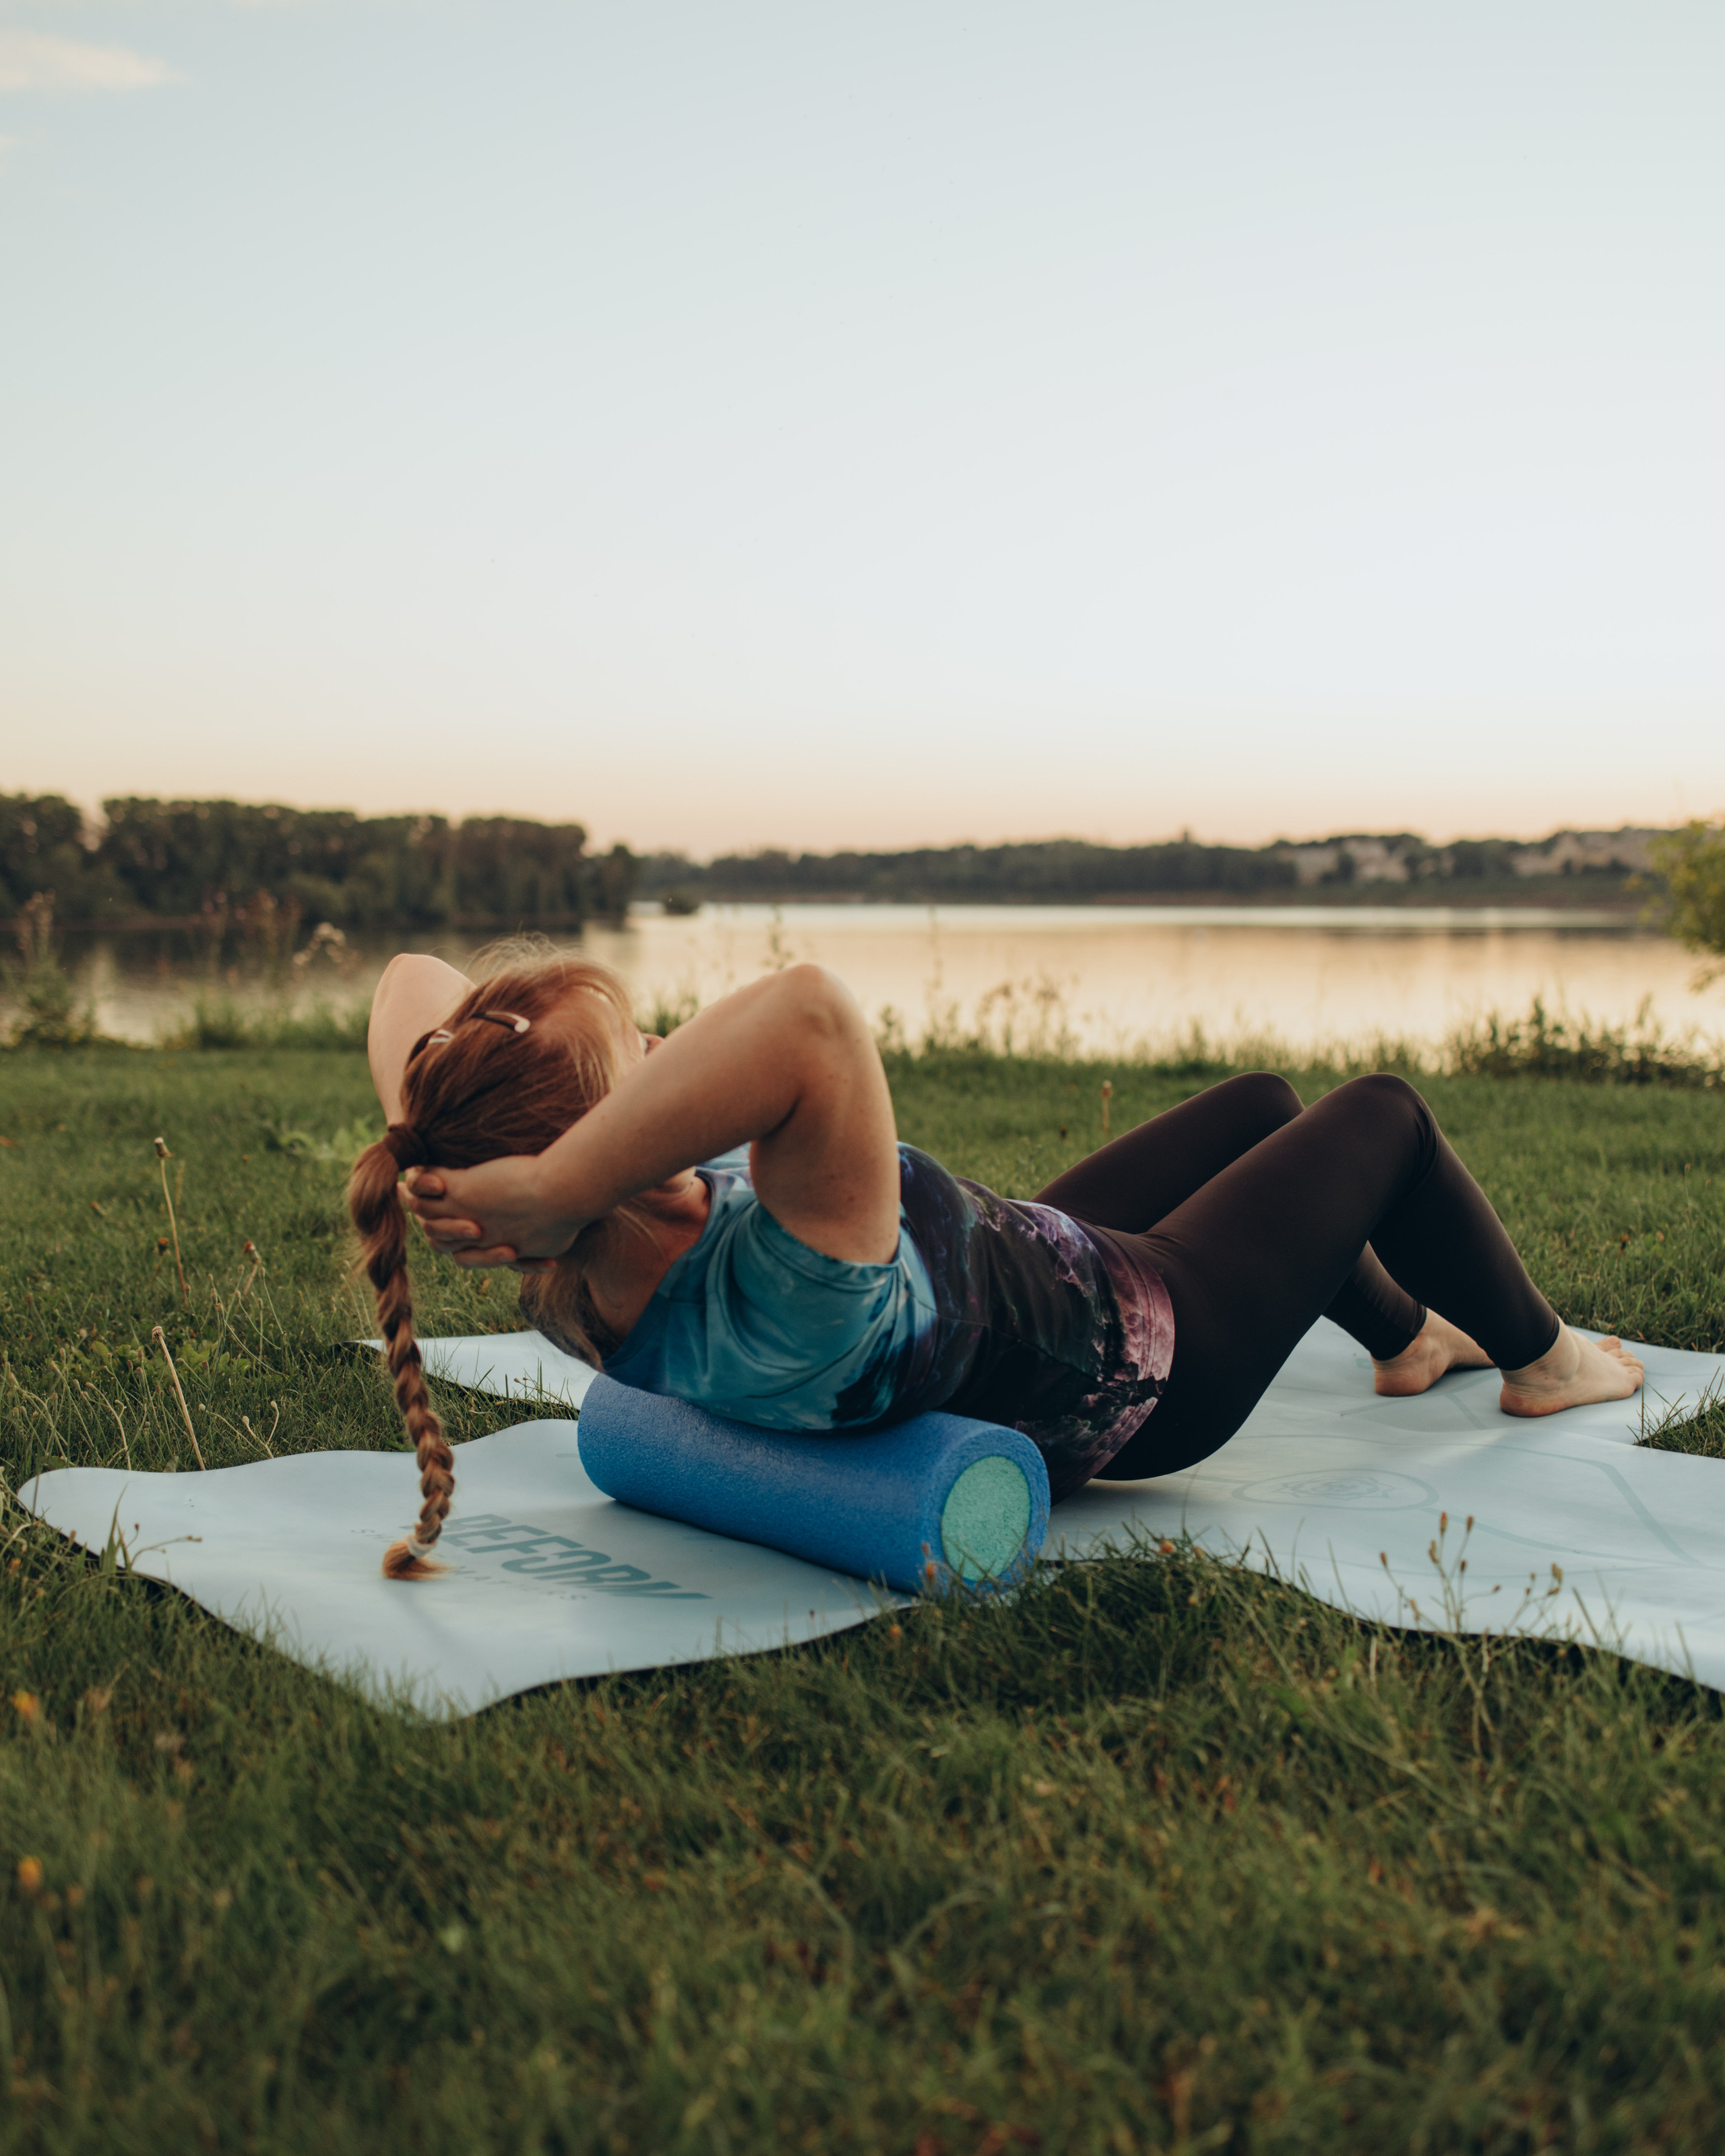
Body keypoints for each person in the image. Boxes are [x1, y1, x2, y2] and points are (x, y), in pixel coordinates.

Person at [350, 943, 1643, 1579]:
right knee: (1384, 1117)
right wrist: (562, 1176)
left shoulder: (561, 1269)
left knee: (1261, 1105)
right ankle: (1545, 1363)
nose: (669, 1053)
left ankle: (1409, 1338)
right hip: (1147, 1363)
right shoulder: (793, 1271)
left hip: (1021, 1279)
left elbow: (412, 976)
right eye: (641, 1057)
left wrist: (493, 1165)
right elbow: (810, 1013)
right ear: (597, 1160)